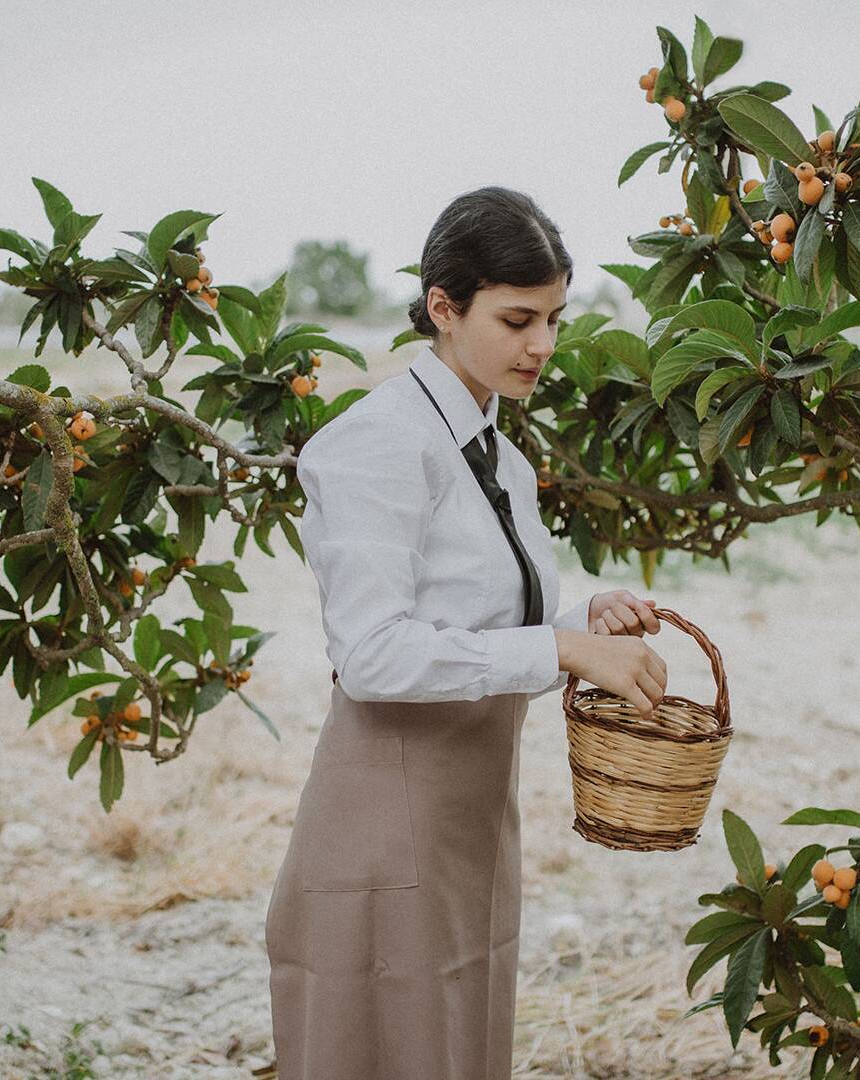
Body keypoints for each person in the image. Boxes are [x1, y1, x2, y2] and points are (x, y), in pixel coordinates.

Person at [264, 186, 669, 1080]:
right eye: (519, 318)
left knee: (459, 1035)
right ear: (443, 307)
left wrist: (581, 619)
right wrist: (561, 650)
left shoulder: (502, 455)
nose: (544, 346)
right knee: (381, 1045)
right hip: (386, 810)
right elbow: (373, 655)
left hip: (474, 815)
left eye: (556, 318)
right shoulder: (377, 443)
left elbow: (478, 626)